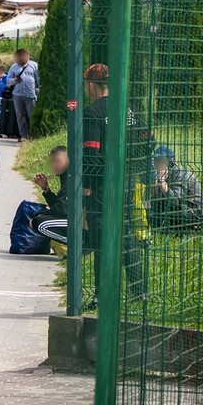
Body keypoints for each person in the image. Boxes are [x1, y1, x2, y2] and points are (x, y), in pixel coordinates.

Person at [83, 63, 144, 308]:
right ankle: (139, 291)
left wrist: (88, 185)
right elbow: (142, 144)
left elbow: (92, 154)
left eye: (86, 85)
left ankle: (103, 293)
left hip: (102, 185)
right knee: (127, 234)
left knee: (101, 238)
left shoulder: (92, 112)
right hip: (126, 180)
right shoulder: (127, 109)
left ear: (92, 85)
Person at [148, 146, 203, 233]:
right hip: (178, 210)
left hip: (195, 213)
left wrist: (162, 183)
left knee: (180, 208)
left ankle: (196, 229)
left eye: (161, 162)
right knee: (152, 203)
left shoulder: (182, 175)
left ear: (170, 162)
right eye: (156, 161)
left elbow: (175, 201)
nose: (158, 165)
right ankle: (155, 230)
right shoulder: (158, 174)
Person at [31, 146, 69, 244]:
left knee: (40, 224)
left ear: (69, 160)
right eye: (52, 162)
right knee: (39, 219)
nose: (54, 165)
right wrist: (45, 188)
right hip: (70, 217)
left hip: (80, 222)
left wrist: (43, 215)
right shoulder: (65, 176)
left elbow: (62, 209)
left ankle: (79, 246)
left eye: (58, 161)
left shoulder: (71, 178)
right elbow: (58, 205)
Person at [6, 49, 39, 142]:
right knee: (20, 116)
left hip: (30, 94)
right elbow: (8, 81)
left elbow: (38, 80)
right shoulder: (13, 67)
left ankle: (33, 134)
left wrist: (38, 91)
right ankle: (24, 135)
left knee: (32, 115)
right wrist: (14, 80)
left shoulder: (34, 65)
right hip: (17, 95)